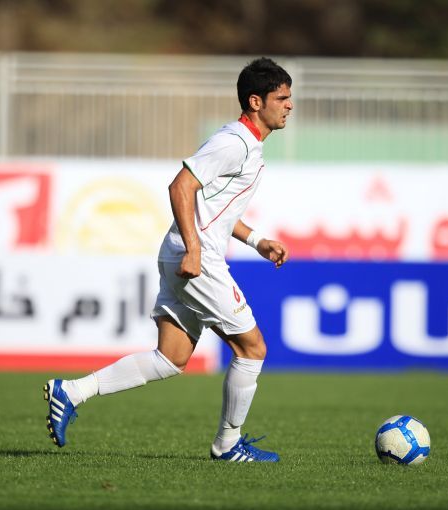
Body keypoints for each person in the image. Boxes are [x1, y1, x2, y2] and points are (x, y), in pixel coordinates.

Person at [43, 56, 293, 462]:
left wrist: (257, 241)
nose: (289, 105)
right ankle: (227, 445)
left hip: (183, 252)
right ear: (255, 101)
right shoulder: (234, 143)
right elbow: (181, 187)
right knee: (252, 348)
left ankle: (71, 391)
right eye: (281, 98)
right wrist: (194, 250)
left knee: (171, 358)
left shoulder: (247, 145)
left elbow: (214, 207)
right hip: (196, 258)